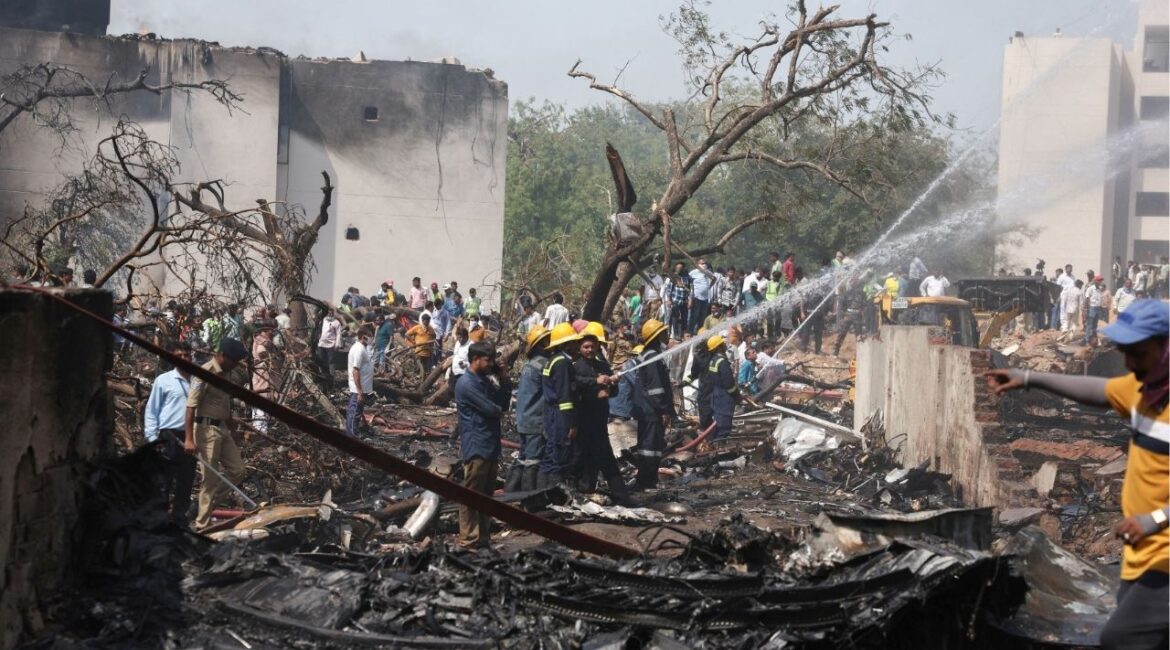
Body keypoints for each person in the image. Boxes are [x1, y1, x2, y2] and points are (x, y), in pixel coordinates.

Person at [986, 300, 1168, 649]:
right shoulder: (1144, 392)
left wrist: (1154, 519)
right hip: (1142, 555)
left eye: (1138, 354)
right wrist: (1027, 378)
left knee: (1122, 637)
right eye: (1125, 353)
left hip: (1164, 558)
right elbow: (1098, 391)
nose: (1129, 364)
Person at [184, 337, 249, 530]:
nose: (236, 364)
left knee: (238, 471)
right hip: (205, 430)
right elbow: (190, 407)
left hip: (223, 428)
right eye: (234, 360)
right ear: (223, 355)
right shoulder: (204, 373)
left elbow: (225, 403)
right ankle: (202, 525)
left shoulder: (227, 373)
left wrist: (233, 430)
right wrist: (188, 438)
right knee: (209, 480)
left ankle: (204, 505)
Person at [453, 342, 513, 548]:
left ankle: (483, 536)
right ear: (476, 359)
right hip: (477, 443)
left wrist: (503, 378)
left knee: (486, 494)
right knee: (472, 493)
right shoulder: (466, 384)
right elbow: (493, 409)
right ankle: (469, 538)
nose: (491, 364)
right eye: (488, 360)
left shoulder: (484, 381)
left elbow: (503, 404)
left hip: (490, 443)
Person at [570, 322, 628, 502]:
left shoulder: (602, 364)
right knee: (580, 458)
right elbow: (574, 386)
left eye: (592, 347)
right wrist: (596, 384)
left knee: (604, 457)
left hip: (600, 421)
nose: (589, 350)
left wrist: (613, 384)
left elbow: (612, 392)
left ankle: (621, 496)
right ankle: (577, 492)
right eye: (586, 347)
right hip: (583, 421)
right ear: (579, 348)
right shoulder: (575, 367)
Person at [144, 342, 196, 526]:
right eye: (179, 355)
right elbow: (152, 410)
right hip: (168, 436)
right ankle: (159, 518)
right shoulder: (164, 380)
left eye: (187, 355)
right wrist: (152, 438)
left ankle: (179, 519)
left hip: (190, 437)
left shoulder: (197, 381)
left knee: (186, 481)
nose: (184, 358)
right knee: (164, 480)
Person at [631, 318, 675, 489]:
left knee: (648, 446)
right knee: (650, 446)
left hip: (647, 409)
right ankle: (647, 480)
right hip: (652, 410)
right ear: (656, 336)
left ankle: (647, 479)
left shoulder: (650, 354)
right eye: (663, 332)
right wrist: (664, 410)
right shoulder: (653, 356)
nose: (666, 334)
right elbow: (656, 388)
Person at [506, 326, 552, 492]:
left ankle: (510, 491)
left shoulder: (530, 364)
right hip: (535, 420)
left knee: (523, 456)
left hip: (524, 418)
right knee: (533, 460)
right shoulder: (545, 365)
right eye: (547, 341)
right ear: (539, 345)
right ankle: (528, 497)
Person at [538, 322, 581, 487]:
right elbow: (565, 396)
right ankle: (552, 494)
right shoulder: (562, 363)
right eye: (573, 342)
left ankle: (540, 495)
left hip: (552, 412)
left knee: (550, 453)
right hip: (560, 415)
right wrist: (570, 423)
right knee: (559, 454)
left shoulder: (553, 360)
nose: (576, 345)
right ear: (566, 344)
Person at [706, 335, 738, 441]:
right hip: (725, 398)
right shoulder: (722, 361)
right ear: (718, 347)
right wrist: (737, 396)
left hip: (716, 395)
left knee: (717, 424)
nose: (725, 345)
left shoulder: (713, 360)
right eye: (722, 344)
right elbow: (729, 384)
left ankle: (713, 443)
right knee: (724, 426)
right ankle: (719, 449)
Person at [345, 324, 375, 438]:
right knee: (354, 414)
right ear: (364, 336)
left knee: (357, 414)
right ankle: (351, 437)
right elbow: (355, 371)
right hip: (358, 390)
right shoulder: (358, 349)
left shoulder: (362, 348)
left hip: (362, 388)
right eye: (370, 335)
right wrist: (360, 391)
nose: (372, 338)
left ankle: (354, 434)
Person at [250, 320, 280, 434]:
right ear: (268, 329)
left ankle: (260, 434)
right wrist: (272, 357)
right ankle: (259, 435)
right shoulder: (262, 342)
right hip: (262, 378)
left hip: (264, 378)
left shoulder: (261, 340)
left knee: (263, 409)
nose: (275, 331)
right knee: (261, 408)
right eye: (273, 329)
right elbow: (262, 353)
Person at [316, 308, 342, 387]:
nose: (329, 314)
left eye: (331, 313)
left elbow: (338, 334)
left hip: (331, 345)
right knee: (320, 361)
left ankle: (331, 381)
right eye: (328, 313)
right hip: (321, 344)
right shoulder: (323, 320)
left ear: (333, 313)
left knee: (331, 362)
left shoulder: (336, 322)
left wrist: (337, 344)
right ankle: (321, 378)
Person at [688, 259, 714, 334]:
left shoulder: (707, 272)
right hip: (696, 297)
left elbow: (714, 279)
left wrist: (709, 286)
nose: (703, 265)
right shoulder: (693, 273)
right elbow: (689, 284)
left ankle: (699, 332)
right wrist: (690, 297)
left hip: (706, 298)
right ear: (698, 264)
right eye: (702, 263)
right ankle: (690, 332)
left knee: (703, 316)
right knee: (694, 315)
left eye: (704, 263)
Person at [799, 286, 827, 354]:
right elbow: (802, 301)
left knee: (818, 333)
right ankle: (803, 348)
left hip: (818, 315)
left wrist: (823, 315)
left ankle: (818, 350)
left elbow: (823, 304)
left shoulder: (820, 293)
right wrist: (802, 312)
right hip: (808, 314)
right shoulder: (807, 293)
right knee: (806, 332)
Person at [1084, 275, 1106, 345]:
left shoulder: (1099, 289)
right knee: (1089, 325)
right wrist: (1086, 309)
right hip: (1092, 308)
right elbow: (1087, 298)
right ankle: (1087, 340)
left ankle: (1093, 339)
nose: (1100, 282)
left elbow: (1100, 300)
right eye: (1099, 281)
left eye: (1101, 281)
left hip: (1098, 308)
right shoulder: (1090, 288)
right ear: (1095, 281)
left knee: (1095, 325)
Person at [668, 274, 690, 339]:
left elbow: (689, 290)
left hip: (684, 301)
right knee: (675, 318)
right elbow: (669, 291)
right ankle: (676, 334)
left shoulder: (687, 278)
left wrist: (689, 299)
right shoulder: (673, 279)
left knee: (684, 318)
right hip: (675, 301)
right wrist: (669, 300)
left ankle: (683, 333)